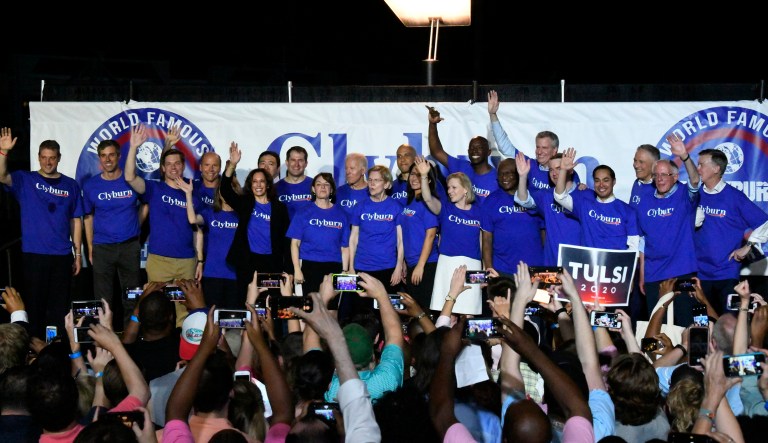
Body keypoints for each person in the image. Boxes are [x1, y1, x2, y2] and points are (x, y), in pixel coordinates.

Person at [0, 127, 83, 337]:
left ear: (59, 158)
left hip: (62, 256)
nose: (48, 162)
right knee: (34, 307)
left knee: (59, 308)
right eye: (44, 158)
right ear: (38, 157)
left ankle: (56, 350)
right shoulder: (24, 180)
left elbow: (76, 220)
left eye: (52, 158)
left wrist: (78, 254)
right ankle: (34, 348)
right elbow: (2, 177)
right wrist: (3, 152)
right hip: (34, 256)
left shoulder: (71, 185)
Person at [694, 148, 768, 314]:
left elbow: (764, 222)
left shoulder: (734, 197)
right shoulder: (695, 195)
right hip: (699, 274)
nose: (698, 169)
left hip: (726, 274)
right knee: (702, 327)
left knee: (729, 326)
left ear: (716, 169)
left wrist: (748, 246)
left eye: (701, 165)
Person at [637, 134, 700, 325]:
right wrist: (642, 275)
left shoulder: (684, 195)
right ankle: (657, 357)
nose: (660, 179)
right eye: (656, 175)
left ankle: (684, 355)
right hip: (653, 274)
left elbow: (695, 180)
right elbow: (642, 241)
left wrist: (685, 157)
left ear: (674, 177)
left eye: (664, 175)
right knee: (657, 326)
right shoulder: (644, 201)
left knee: (685, 324)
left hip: (682, 272)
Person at [124, 124, 198, 286]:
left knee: (185, 309)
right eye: (169, 164)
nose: (173, 167)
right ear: (163, 168)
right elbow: (130, 177)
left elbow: (197, 228)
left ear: (183, 166)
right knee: (156, 306)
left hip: (186, 261)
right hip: (159, 260)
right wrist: (133, 147)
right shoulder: (154, 189)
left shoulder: (191, 190)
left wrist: (200, 260)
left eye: (177, 163)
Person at [82, 139, 145, 327]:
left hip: (129, 246)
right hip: (102, 247)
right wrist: (91, 246)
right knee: (103, 300)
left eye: (111, 155)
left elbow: (147, 202)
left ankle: (130, 338)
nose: (107, 159)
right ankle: (104, 339)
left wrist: (136, 225)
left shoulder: (130, 180)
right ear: (99, 159)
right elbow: (88, 217)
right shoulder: (91, 185)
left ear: (119, 156)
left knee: (132, 296)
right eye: (103, 156)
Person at [220, 142, 292, 301]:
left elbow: (286, 241)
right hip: (247, 262)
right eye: (254, 181)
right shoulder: (245, 203)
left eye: (261, 181)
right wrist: (232, 164)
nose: (258, 185)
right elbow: (225, 190)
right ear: (250, 185)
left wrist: (289, 270)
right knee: (247, 302)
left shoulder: (279, 209)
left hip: (271, 264)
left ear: (267, 185)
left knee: (269, 304)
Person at [416, 156, 484, 315]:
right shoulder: (445, 208)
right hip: (447, 263)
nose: (449, 191)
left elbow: (482, 243)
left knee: (469, 312)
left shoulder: (480, 212)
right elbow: (427, 197)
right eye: (448, 188)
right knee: (446, 311)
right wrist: (424, 176)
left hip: (473, 265)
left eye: (454, 187)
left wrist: (484, 272)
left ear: (465, 189)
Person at [487, 90, 579, 190]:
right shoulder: (529, 165)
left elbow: (578, 195)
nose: (539, 152)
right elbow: (504, 146)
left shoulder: (567, 171)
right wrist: (493, 114)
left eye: (544, 148)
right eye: (537, 147)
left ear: (554, 150)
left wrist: (582, 187)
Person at [554, 148, 640, 251]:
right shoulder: (584, 205)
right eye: (597, 180)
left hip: (614, 265)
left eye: (606, 180)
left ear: (614, 182)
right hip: (588, 265)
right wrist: (563, 170)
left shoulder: (628, 211)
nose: (601, 185)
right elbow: (560, 196)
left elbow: (633, 248)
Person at [516, 152, 586, 267]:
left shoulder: (586, 195)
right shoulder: (546, 196)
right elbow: (523, 200)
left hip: (578, 265)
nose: (554, 174)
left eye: (559, 168)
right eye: (551, 170)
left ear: (570, 170)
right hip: (552, 264)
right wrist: (523, 177)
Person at [179, 175, 239, 308]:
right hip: (212, 273)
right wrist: (188, 194)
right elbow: (193, 220)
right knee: (212, 317)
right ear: (218, 192)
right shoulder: (210, 213)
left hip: (235, 275)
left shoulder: (242, 215)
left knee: (232, 320)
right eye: (223, 190)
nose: (227, 194)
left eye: (230, 190)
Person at [287, 172, 350, 295]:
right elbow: (295, 244)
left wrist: (344, 271)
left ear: (331, 189)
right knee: (307, 310)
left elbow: (345, 247)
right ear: (313, 189)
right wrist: (297, 269)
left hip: (334, 266)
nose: (322, 187)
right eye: (319, 184)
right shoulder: (302, 213)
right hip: (308, 265)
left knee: (332, 311)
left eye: (326, 184)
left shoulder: (342, 214)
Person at [481, 155, 544, 277]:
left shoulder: (535, 197)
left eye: (509, 173)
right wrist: (489, 269)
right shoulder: (490, 201)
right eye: (501, 174)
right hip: (502, 270)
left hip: (534, 268)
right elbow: (487, 239)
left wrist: (545, 265)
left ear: (519, 173)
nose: (504, 177)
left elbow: (544, 234)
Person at [348, 165, 404, 298]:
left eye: (377, 180)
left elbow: (400, 240)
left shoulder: (396, 207)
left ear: (387, 184)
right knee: (358, 312)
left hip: (387, 268)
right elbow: (353, 238)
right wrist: (351, 267)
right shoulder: (359, 207)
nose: (372, 184)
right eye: (370, 180)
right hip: (361, 268)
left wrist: (399, 267)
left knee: (385, 311)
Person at [427, 105, 497, 203]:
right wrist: (432, 124)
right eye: (471, 148)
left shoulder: (497, 178)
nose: (474, 151)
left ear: (488, 152)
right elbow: (436, 152)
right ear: (468, 152)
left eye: (479, 148)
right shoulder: (461, 166)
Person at [400, 161, 440, 310]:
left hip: (426, 264)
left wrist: (420, 266)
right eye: (412, 174)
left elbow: (430, 235)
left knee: (423, 310)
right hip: (411, 264)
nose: (414, 178)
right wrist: (404, 262)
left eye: (419, 174)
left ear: (427, 179)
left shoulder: (427, 203)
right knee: (414, 311)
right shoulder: (409, 203)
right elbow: (406, 235)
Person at [275, 146, 313, 218]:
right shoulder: (275, 188)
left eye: (300, 160)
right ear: (287, 162)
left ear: (306, 163)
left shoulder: (315, 185)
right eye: (293, 160)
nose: (296, 164)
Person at [335, 152, 369, 221]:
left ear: (363, 170)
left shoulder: (372, 192)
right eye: (346, 168)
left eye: (352, 168)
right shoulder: (339, 192)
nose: (348, 172)